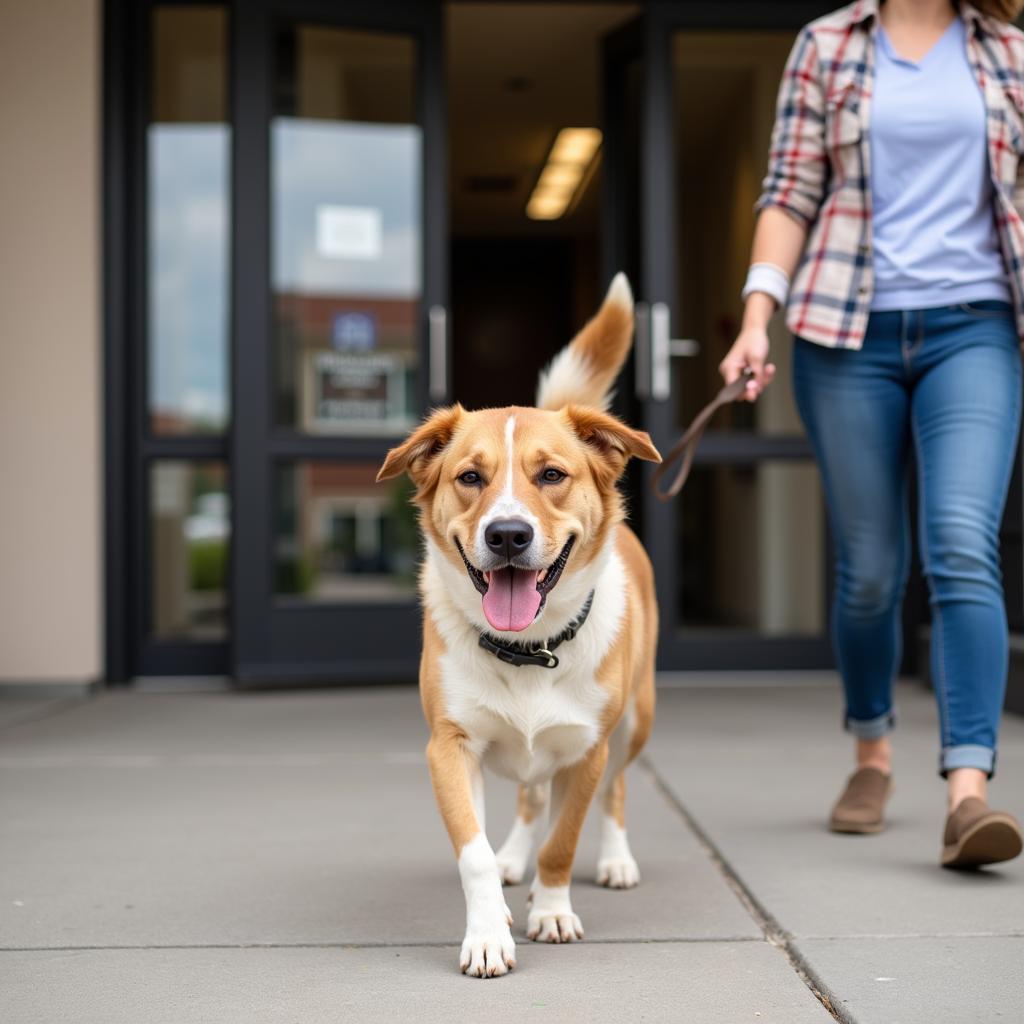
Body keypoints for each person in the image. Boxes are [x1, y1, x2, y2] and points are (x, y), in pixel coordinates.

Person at [721, 0, 1024, 867]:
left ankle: (968, 792)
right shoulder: (829, 43)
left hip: (976, 327)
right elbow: (789, 189)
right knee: (870, 571)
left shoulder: (1005, 49)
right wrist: (755, 318)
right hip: (843, 332)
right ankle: (871, 753)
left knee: (962, 542)